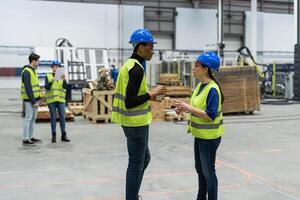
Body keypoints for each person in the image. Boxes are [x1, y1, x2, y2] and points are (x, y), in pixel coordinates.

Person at [111, 28, 167, 200]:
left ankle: (133, 194)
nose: (152, 51)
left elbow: (134, 95)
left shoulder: (130, 65)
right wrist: (152, 93)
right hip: (135, 123)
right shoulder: (136, 69)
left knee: (144, 159)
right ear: (140, 48)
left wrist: (152, 97)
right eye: (150, 47)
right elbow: (130, 101)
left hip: (132, 122)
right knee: (136, 163)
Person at [174, 51, 224, 200]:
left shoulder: (213, 89)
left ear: (205, 69)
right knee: (200, 170)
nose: (193, 69)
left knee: (208, 173)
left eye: (196, 66)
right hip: (200, 136)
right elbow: (197, 107)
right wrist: (183, 108)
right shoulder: (200, 86)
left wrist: (188, 108)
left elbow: (210, 115)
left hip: (209, 138)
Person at [45, 60, 70, 143]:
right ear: (52, 68)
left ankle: (64, 135)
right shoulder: (48, 76)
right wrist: (52, 80)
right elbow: (47, 87)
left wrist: (65, 80)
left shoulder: (61, 76)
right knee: (53, 117)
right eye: (54, 67)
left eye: (57, 67)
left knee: (62, 117)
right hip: (51, 100)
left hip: (60, 100)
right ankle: (54, 135)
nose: (55, 69)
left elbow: (66, 87)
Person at [21, 53, 42, 145]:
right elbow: (28, 88)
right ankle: (25, 138)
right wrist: (33, 101)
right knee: (28, 118)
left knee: (33, 119)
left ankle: (31, 137)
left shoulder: (33, 71)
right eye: (38, 61)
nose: (39, 63)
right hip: (29, 100)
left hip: (35, 99)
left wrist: (39, 98)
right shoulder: (26, 71)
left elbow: (36, 86)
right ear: (33, 61)